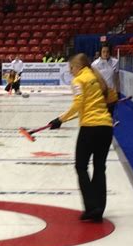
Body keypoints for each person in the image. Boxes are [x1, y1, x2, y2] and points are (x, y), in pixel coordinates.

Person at [48, 53, 113, 223]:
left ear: (78, 66)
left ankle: (91, 206)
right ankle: (99, 208)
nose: (70, 72)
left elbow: (78, 104)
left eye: (71, 68)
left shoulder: (78, 80)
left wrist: (60, 120)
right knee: (100, 168)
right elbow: (110, 97)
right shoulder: (95, 77)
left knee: (81, 166)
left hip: (90, 128)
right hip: (106, 128)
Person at [91, 43, 120, 117]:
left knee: (109, 116)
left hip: (111, 94)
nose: (105, 54)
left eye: (107, 52)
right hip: (99, 94)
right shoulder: (94, 64)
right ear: (100, 52)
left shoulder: (115, 62)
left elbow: (117, 78)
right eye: (103, 52)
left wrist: (118, 91)